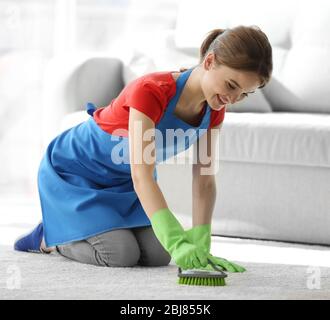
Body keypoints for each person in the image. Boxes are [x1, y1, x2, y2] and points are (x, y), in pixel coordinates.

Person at [14, 25, 272, 271]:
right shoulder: (151, 91)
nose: (234, 99)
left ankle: (87, 228)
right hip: (77, 172)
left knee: (159, 255)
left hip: (124, 183)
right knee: (119, 253)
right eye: (231, 85)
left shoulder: (213, 112)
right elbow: (143, 175)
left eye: (244, 94)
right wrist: (176, 238)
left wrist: (200, 238)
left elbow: (204, 178)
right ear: (209, 62)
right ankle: (50, 237)